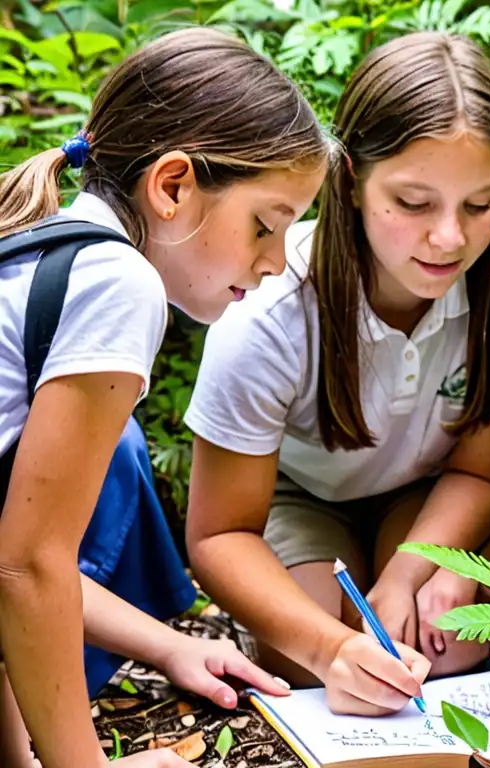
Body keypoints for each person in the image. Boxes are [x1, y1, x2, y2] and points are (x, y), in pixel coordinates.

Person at [183, 30, 490, 715]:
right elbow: (219, 533)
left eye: (481, 205)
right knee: (310, 658)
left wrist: (418, 570)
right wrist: (330, 650)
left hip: (442, 487)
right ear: (353, 179)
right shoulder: (270, 307)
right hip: (300, 498)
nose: (449, 237)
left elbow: (483, 472)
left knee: (459, 634)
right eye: (414, 203)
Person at [0, 27, 329, 767]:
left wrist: (169, 648)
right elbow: (27, 567)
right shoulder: (120, 282)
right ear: (174, 186)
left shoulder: (48, 244)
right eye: (266, 224)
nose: (278, 261)